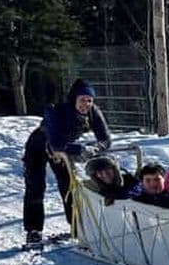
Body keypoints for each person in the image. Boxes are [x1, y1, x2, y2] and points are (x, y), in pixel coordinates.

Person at [22, 78, 111, 244]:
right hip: (39, 146)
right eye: (82, 100)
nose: (86, 104)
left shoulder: (93, 112)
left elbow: (106, 139)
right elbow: (55, 142)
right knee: (35, 186)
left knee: (69, 185)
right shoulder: (55, 111)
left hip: (64, 150)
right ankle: (33, 231)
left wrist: (95, 148)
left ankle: (77, 226)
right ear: (73, 99)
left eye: (89, 100)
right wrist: (79, 149)